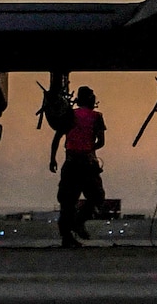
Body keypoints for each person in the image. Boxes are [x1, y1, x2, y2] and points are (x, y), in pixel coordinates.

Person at [49, 85, 106, 247]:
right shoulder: (97, 117)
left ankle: (67, 235)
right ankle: (78, 221)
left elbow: (57, 138)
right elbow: (101, 141)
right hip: (87, 164)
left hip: (71, 162)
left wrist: (52, 159)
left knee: (67, 201)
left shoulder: (69, 115)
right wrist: (89, 149)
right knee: (97, 196)